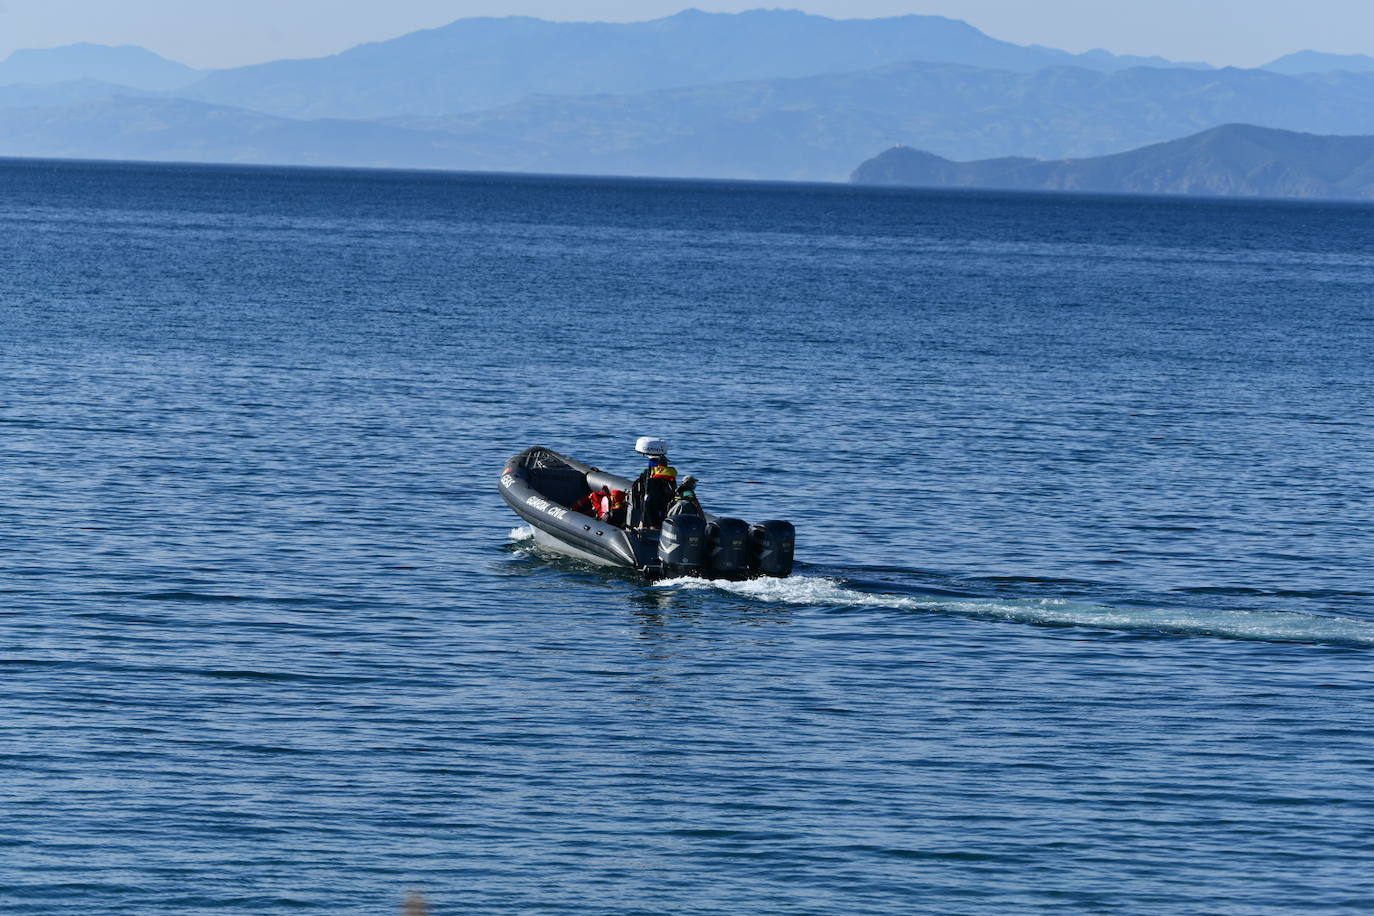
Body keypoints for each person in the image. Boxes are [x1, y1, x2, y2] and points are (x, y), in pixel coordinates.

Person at [629, 437, 678, 530]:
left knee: (648, 513)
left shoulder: (649, 472)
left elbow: (642, 487)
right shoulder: (670, 474)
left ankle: (644, 528)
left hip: (650, 499)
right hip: (661, 500)